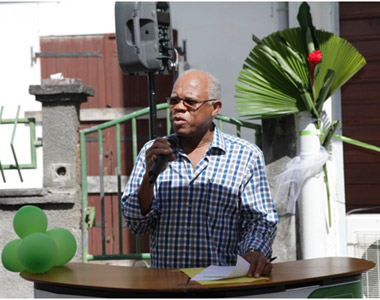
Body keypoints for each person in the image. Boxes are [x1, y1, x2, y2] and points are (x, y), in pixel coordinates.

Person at [121, 69, 277, 278]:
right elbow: (136, 224)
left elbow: (259, 219)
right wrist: (149, 179)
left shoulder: (246, 155)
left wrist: (254, 251)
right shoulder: (154, 152)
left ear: (215, 107)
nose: (178, 107)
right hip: (166, 286)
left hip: (220, 284)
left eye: (190, 102)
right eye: (174, 100)